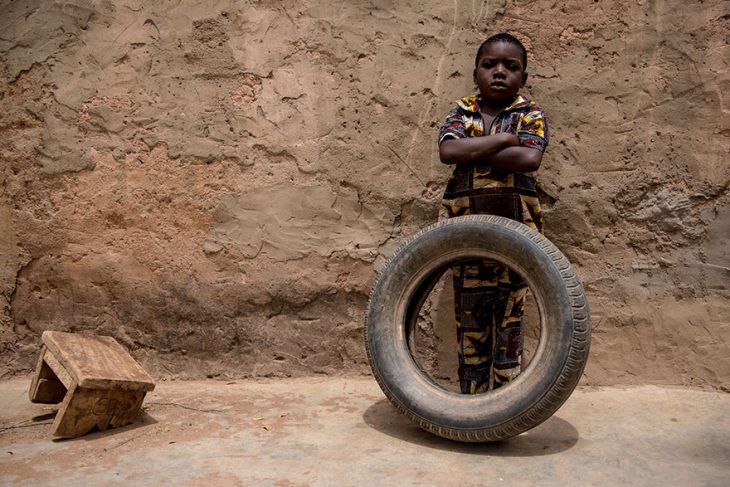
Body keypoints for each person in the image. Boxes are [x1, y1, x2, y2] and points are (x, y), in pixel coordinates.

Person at [437, 33, 549, 394]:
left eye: (510, 66)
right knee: (470, 325)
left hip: (518, 239)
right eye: (489, 65)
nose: (499, 72)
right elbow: (448, 152)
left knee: (510, 325)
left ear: (523, 77)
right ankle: (471, 403)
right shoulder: (462, 110)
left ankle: (503, 403)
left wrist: (472, 147)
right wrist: (503, 140)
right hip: (466, 237)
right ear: (476, 73)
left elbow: (530, 159)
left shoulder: (528, 113)